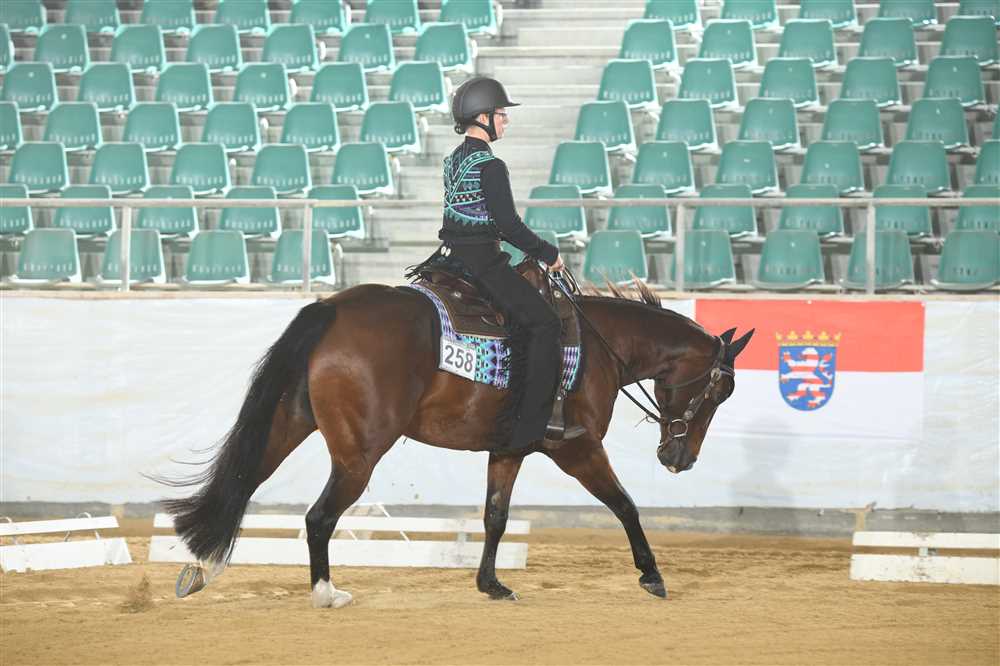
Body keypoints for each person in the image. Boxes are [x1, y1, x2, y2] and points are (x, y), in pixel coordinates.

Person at [440, 76, 586, 455]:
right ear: (483, 117)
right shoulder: (490, 165)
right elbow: (508, 225)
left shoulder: (453, 160)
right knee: (545, 323)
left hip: (449, 260)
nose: (505, 120)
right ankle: (531, 428)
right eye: (501, 114)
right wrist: (548, 253)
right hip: (483, 262)